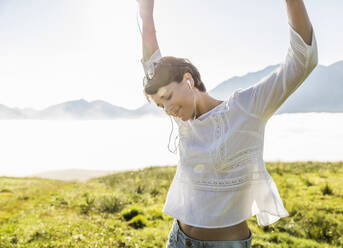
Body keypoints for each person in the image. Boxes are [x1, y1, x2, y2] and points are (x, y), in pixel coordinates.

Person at [136, 0, 318, 247]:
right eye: (160, 106)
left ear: (187, 80)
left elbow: (302, 61)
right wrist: (146, 10)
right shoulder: (184, 122)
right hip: (178, 240)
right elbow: (151, 61)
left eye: (167, 97)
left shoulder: (246, 108)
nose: (167, 110)